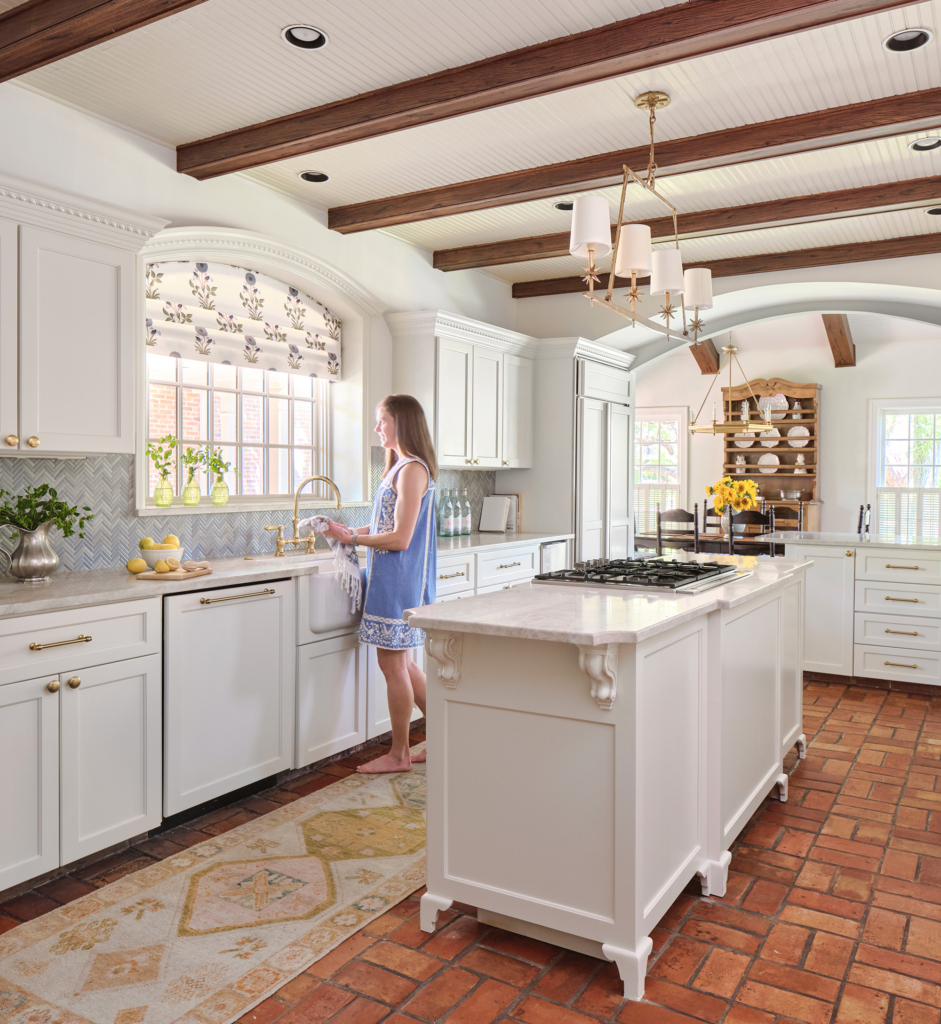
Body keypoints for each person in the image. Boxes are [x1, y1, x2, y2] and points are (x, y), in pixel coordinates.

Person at [324, 394, 437, 774]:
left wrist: (354, 541)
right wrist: (348, 532)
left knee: (392, 664)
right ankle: (447, 738)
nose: (377, 429)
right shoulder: (399, 467)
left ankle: (399, 754)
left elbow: (401, 538)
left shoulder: (412, 470)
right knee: (403, 663)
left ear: (401, 423)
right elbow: (384, 526)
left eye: (382, 421)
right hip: (393, 577)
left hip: (400, 579)